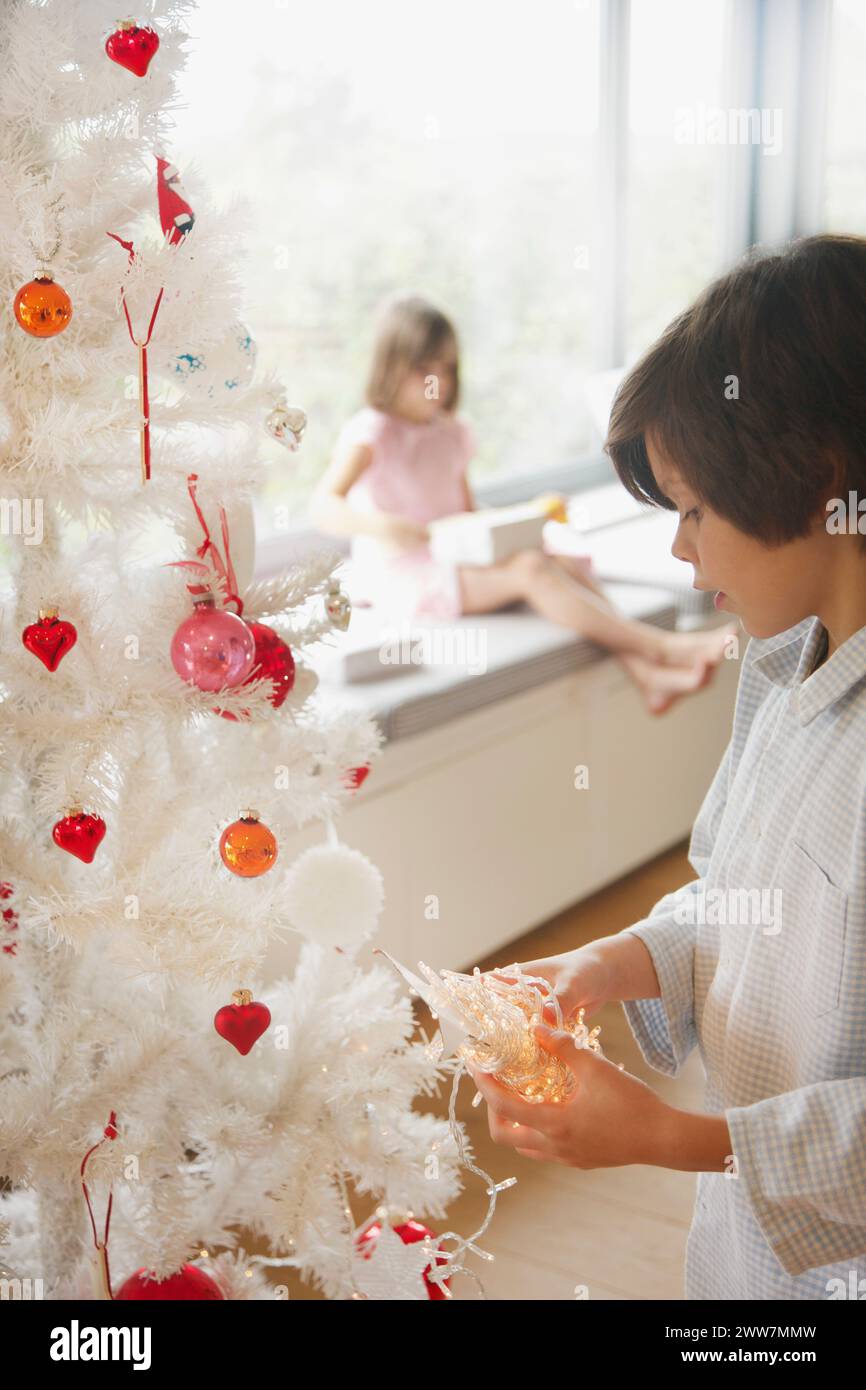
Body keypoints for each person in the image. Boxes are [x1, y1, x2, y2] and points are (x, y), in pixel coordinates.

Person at [469, 234, 866, 1300]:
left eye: (691, 508)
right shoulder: (781, 674)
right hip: (745, 1254)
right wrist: (607, 962)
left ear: (815, 479)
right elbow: (743, 901)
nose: (680, 553)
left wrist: (675, 1135)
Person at [309, 292, 735, 715]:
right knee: (530, 569)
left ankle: (645, 673)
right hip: (406, 574)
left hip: (456, 557)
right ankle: (660, 646)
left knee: (560, 560)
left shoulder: (452, 433)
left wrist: (527, 517)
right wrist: (383, 527)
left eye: (447, 369)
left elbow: (467, 512)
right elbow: (323, 506)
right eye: (424, 369)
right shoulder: (373, 433)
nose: (438, 382)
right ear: (391, 367)